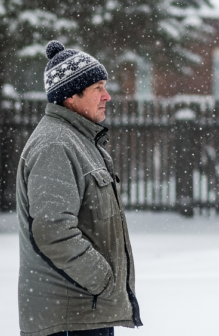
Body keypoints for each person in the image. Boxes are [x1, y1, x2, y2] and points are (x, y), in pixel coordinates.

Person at [16, 41, 142, 336]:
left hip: (84, 313)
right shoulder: (56, 145)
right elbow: (53, 231)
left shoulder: (77, 140)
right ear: (71, 95)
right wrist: (103, 281)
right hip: (71, 318)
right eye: (98, 87)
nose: (107, 96)